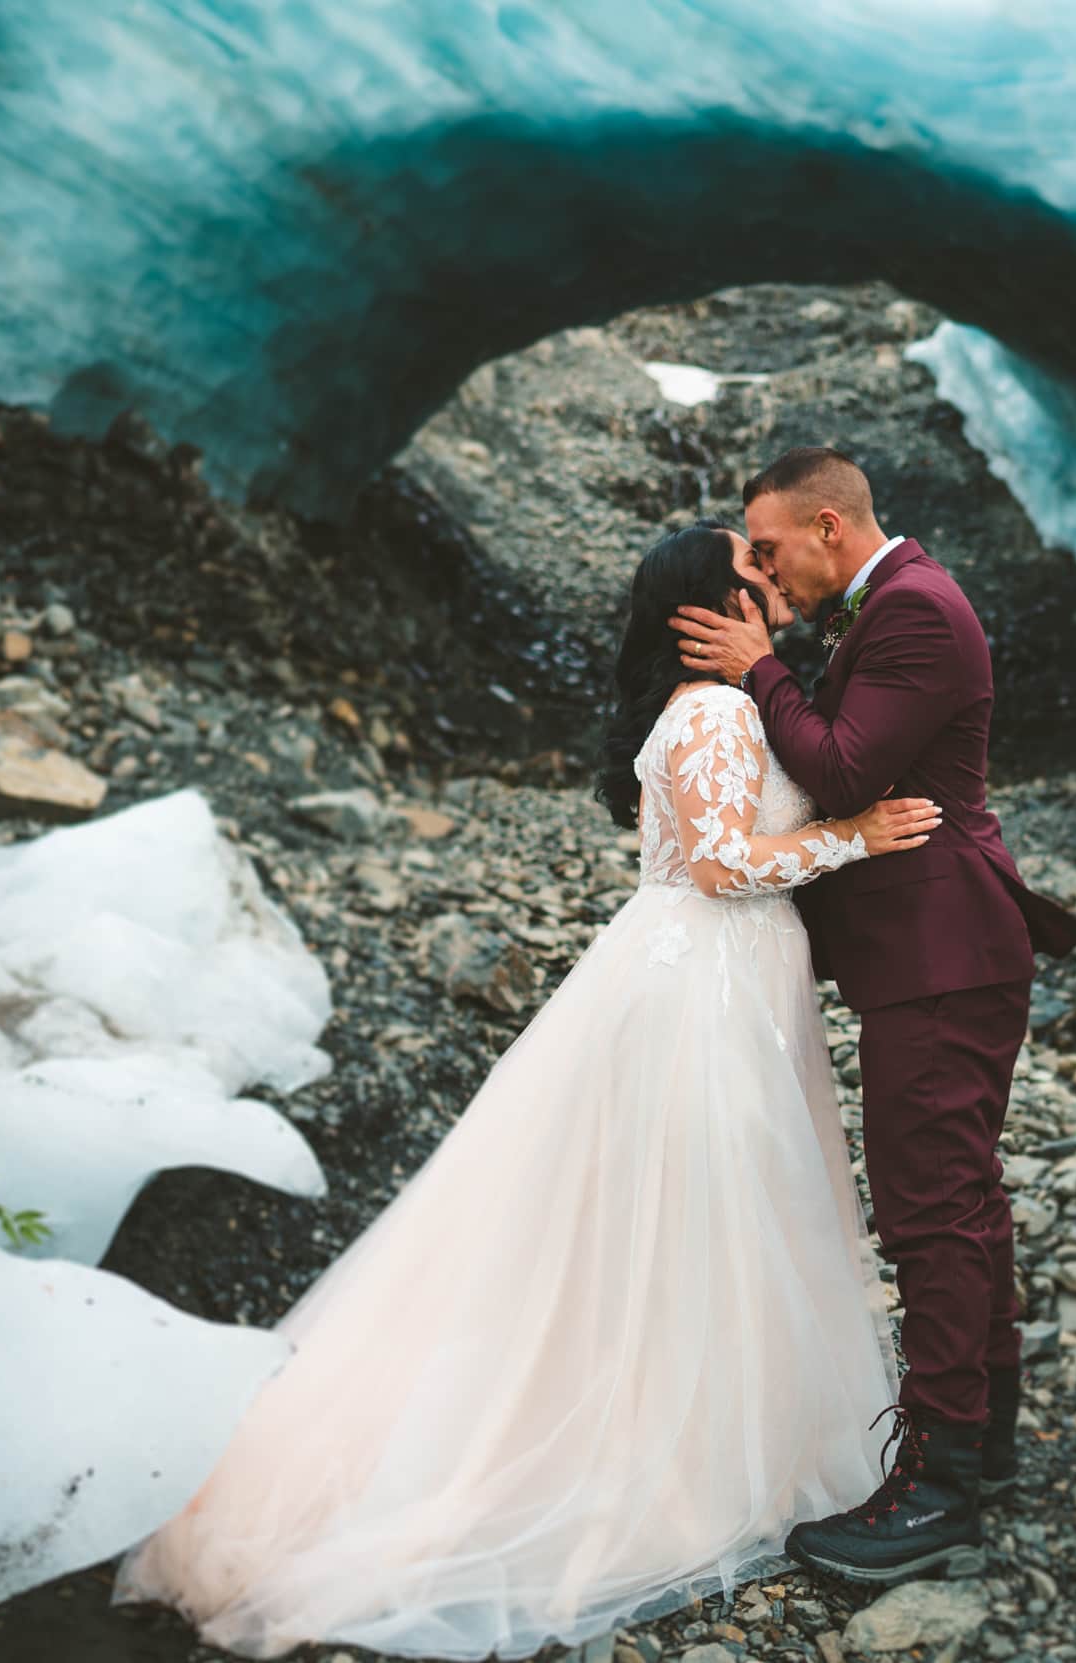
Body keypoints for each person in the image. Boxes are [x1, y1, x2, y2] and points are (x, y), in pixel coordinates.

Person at [111, 520, 941, 1659]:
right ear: (703, 606)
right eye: (748, 568)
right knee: (703, 1203)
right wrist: (854, 835)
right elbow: (715, 862)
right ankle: (667, 1448)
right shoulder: (711, 710)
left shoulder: (741, 699)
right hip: (697, 977)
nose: (768, 579)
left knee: (708, 1205)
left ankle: (699, 1421)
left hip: (725, 972)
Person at [671, 446, 1076, 1585]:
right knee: (962, 1197)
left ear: (825, 525)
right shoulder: (899, 605)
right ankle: (980, 1443)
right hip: (934, 946)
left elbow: (847, 770)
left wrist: (761, 669)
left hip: (942, 947)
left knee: (931, 1210)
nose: (764, 570)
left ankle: (940, 1485)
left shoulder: (913, 610)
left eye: (769, 549)